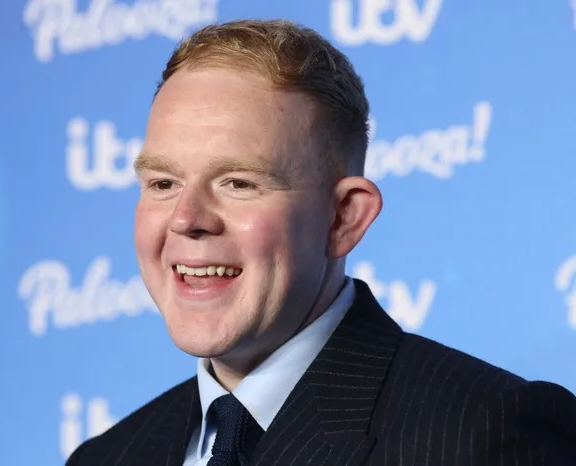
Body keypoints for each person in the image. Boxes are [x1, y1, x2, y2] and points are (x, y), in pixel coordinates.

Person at [67, 19, 576, 466]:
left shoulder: (484, 435)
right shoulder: (107, 456)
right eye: (162, 184)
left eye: (238, 183)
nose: (185, 219)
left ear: (343, 218)